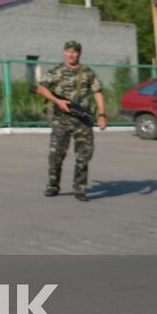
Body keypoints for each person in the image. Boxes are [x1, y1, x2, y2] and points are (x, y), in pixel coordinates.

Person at [34, 39, 108, 201]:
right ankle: (53, 185)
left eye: (74, 52)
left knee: (84, 155)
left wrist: (102, 115)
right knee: (55, 155)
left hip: (83, 120)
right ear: (64, 53)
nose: (70, 55)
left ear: (79, 54)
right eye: (68, 51)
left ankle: (80, 188)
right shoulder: (57, 71)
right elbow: (41, 88)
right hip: (62, 119)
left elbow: (98, 92)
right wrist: (58, 102)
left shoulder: (87, 72)